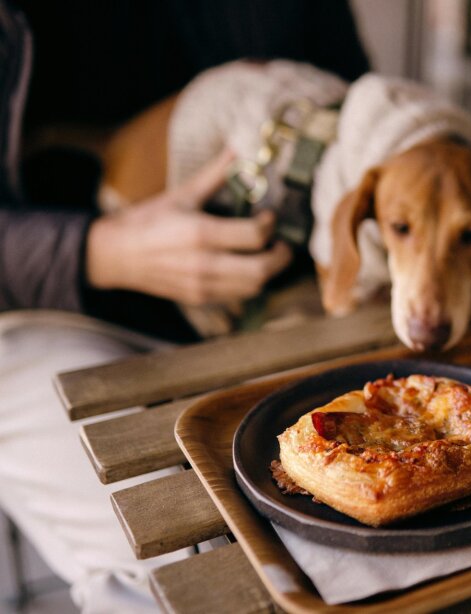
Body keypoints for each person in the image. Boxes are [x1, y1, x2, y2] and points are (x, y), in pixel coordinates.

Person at [0, 1, 369, 611]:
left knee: (361, 520)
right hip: (39, 312)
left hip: (273, 289)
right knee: (181, 566)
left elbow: (353, 104)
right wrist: (105, 251)